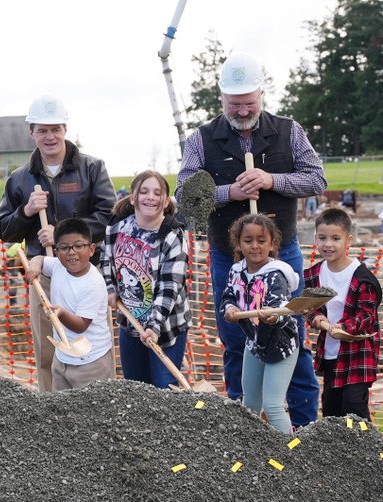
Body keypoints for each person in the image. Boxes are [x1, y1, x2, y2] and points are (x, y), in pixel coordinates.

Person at [175, 52, 324, 427]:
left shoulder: (289, 132)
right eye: (234, 104)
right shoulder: (201, 140)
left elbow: (317, 180)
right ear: (221, 99)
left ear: (261, 94)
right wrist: (229, 193)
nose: (242, 111)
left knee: (291, 332)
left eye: (249, 103)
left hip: (282, 252)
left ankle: (305, 426)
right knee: (236, 335)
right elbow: (185, 196)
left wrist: (273, 180)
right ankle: (243, 425)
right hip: (229, 257)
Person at [0, 94, 116, 392]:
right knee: (49, 352)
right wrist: (26, 212)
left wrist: (61, 234)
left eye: (56, 129)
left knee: (94, 344)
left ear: (65, 129)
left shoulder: (91, 168)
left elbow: (109, 217)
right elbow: (2, 229)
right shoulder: (19, 179)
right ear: (31, 132)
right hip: (45, 279)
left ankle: (102, 404)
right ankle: (51, 413)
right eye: (42, 130)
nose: (50, 137)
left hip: (87, 277)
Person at [101, 170, 191, 388]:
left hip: (166, 326)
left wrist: (154, 326)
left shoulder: (173, 236)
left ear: (165, 201)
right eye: (144, 192)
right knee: (136, 389)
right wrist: (110, 288)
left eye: (157, 192)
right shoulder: (117, 228)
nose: (150, 197)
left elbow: (170, 287)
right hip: (130, 323)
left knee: (163, 389)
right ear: (133, 198)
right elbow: (106, 260)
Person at [221, 214, 299, 434]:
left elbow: (282, 309)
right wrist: (230, 309)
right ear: (238, 243)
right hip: (254, 344)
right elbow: (228, 296)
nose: (255, 246)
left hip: (280, 346)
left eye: (261, 240)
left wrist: (274, 317)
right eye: (248, 240)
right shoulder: (236, 271)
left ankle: (289, 454)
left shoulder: (276, 276)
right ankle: (250, 453)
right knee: (250, 406)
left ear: (272, 244)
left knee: (273, 406)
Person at [304, 208, 381, 421]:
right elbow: (309, 306)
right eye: (322, 238)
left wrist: (344, 327)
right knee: (331, 407)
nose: (328, 244)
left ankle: (365, 449)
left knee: (354, 406)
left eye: (335, 238)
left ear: (348, 241)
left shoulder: (361, 276)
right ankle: (338, 453)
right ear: (315, 239)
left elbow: (367, 315)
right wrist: (316, 318)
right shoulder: (314, 274)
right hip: (330, 351)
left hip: (358, 351)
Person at [26, 219, 115, 391]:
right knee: (63, 411)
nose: (72, 252)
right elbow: (41, 259)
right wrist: (35, 265)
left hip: (91, 362)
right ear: (57, 252)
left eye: (78, 246)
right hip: (62, 359)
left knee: (92, 412)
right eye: (65, 248)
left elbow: (81, 325)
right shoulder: (59, 266)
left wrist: (60, 313)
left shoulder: (93, 284)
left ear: (91, 249)